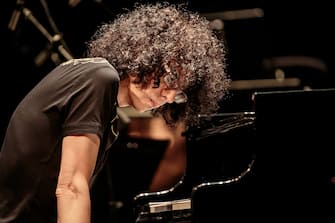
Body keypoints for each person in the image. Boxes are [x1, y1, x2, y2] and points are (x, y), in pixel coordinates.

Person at [0, 2, 230, 222]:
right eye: (169, 79)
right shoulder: (99, 79)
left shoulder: (98, 89)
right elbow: (71, 187)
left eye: (178, 93)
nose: (168, 97)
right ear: (143, 53)